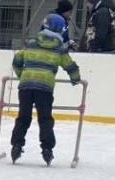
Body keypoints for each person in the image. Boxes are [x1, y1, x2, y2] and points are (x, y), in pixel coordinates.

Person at [9, 16, 83, 164]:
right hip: (44, 88)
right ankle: (47, 149)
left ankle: (16, 146)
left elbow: (17, 60)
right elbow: (70, 66)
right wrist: (76, 79)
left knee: (23, 117)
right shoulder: (59, 48)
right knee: (45, 118)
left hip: (26, 86)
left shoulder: (31, 44)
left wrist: (22, 75)